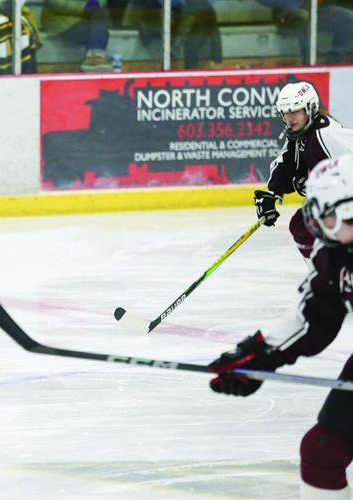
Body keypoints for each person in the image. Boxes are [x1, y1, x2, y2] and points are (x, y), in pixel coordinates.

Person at [209, 153, 353, 499]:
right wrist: (259, 356)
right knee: (322, 450)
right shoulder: (335, 251)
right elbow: (315, 314)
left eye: (331, 214)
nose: (322, 224)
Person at [254, 81, 353, 258]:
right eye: (286, 113)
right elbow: (287, 163)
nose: (290, 118)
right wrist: (272, 193)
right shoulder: (301, 133)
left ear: (310, 108)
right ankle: (328, 274)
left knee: (312, 226)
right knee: (302, 225)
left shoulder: (326, 135)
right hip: (337, 204)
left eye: (295, 111)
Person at [256, 0, 353, 65]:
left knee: (349, 19)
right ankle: (308, 68)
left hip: (319, 10)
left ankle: (334, 64)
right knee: (303, 18)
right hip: (290, 12)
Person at [40, 0, 113, 72]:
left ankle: (94, 57)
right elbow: (55, 3)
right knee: (100, 28)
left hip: (88, 19)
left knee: (101, 13)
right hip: (63, 22)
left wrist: (97, 3)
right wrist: (83, 7)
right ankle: (95, 57)